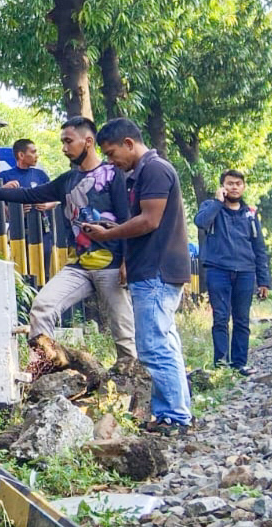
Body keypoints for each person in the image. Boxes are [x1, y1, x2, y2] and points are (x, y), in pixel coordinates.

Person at [0, 117, 136, 361]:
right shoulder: (67, 181)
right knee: (42, 307)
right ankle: (45, 369)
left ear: (88, 142)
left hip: (111, 265)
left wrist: (127, 260)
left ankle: (133, 383)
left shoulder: (114, 175)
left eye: (68, 141)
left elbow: (126, 219)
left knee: (123, 333)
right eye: (62, 142)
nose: (64, 148)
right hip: (78, 267)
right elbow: (29, 194)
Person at [80, 118, 193, 435]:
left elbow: (149, 220)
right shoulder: (140, 173)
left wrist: (109, 234)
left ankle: (173, 415)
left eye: (112, 152)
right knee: (165, 344)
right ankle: (175, 412)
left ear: (129, 143)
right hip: (153, 268)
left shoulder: (154, 170)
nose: (111, 160)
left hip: (157, 270)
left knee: (154, 346)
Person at [193, 169, 271, 375]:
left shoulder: (251, 214)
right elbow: (201, 222)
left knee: (241, 319)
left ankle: (240, 364)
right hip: (218, 270)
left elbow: (259, 249)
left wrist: (264, 281)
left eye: (238, 183)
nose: (234, 187)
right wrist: (218, 202)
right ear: (222, 186)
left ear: (243, 187)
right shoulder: (211, 207)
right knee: (220, 318)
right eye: (229, 183)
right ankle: (221, 365)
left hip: (246, 272)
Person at [0, 139, 59, 214]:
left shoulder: (40, 175)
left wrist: (46, 205)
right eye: (33, 152)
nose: (37, 156)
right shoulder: (4, 176)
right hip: (17, 225)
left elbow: (55, 198)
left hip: (40, 224)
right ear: (21, 155)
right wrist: (15, 212)